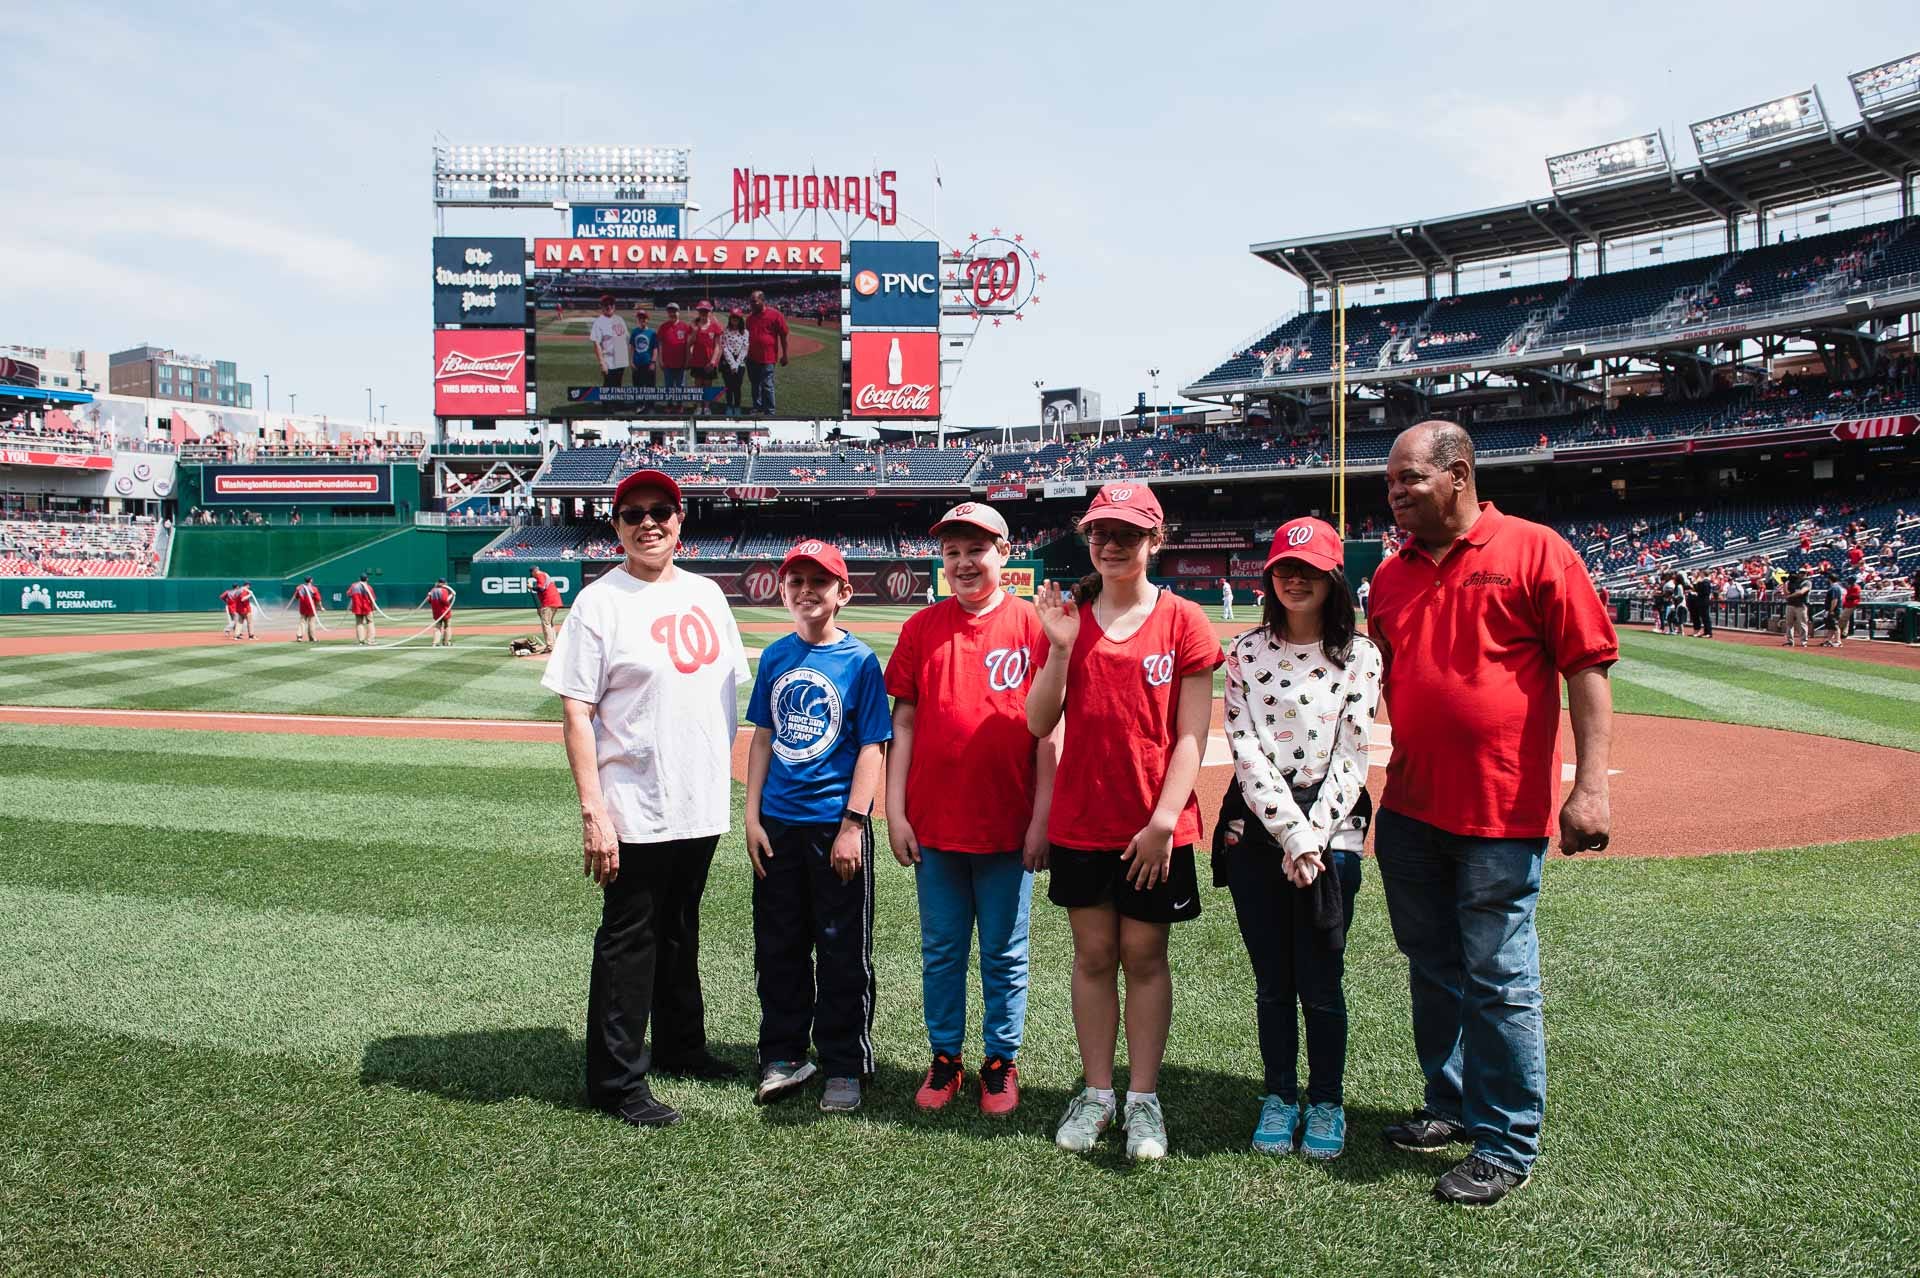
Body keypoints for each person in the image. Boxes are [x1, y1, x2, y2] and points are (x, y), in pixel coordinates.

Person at [1369, 422, 1616, 1206]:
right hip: (1409, 806)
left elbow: (1587, 667)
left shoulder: (1536, 549)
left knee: (1500, 976)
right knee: (1432, 967)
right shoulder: (1390, 576)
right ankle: (1450, 1105)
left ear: (1459, 475)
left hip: (1500, 810)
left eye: (1409, 478)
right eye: (1390, 483)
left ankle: (1508, 1139)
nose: (1396, 493)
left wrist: (1591, 787)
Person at [543, 469, 753, 1128]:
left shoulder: (708, 594)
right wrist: (593, 810)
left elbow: (723, 695)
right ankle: (616, 1081)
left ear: (680, 519)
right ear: (617, 527)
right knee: (630, 939)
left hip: (698, 798)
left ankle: (683, 1047)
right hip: (633, 802)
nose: (648, 523)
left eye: (660, 510)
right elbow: (577, 713)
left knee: (680, 930)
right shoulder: (599, 603)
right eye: (633, 514)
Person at [1027, 482, 1221, 1162]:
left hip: (1154, 827)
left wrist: (1165, 821)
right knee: (1092, 957)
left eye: (1127, 534)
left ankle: (1143, 1100)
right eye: (1100, 533)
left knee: (1144, 957)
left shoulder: (1184, 620)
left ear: (1154, 541)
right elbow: (1038, 721)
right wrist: (1057, 648)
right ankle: (1098, 1095)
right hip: (1084, 821)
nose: (1111, 544)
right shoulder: (1070, 616)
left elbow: (1192, 735)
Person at [885, 502, 1056, 1118]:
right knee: (942, 948)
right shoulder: (922, 628)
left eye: (976, 550)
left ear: (1004, 555)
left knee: (1006, 952)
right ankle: (946, 1057)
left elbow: (1049, 734)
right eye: (953, 551)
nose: (963, 562)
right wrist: (895, 810)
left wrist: (1042, 818)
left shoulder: (1034, 626)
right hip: (935, 822)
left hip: (1008, 824)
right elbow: (902, 721)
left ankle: (1000, 1061)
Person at [1220, 517, 1381, 1161]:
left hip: (1333, 823)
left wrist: (1313, 836)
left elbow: (1353, 754)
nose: (1294, 578)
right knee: (1271, 979)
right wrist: (1293, 834)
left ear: (1332, 579)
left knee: (1321, 976)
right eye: (1284, 567)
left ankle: (1327, 1101)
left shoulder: (1362, 655)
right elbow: (1246, 748)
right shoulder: (1245, 652)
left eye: (1309, 569)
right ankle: (1279, 1094)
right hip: (1260, 823)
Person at [743, 540, 891, 1114]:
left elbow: (873, 746)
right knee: (778, 946)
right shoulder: (777, 656)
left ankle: (844, 1061)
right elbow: (762, 737)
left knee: (840, 949)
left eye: (819, 582)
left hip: (834, 826)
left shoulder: (859, 662)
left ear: (842, 593)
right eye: (796, 581)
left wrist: (854, 824)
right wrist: (752, 816)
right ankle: (782, 1053)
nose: (807, 591)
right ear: (784, 591)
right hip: (777, 826)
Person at [745, 290, 790, 416]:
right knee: (755, 384)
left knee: (767, 385)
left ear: (762, 300)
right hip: (751, 357)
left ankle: (770, 411)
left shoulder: (775, 315)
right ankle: (757, 406)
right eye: (750, 302)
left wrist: (785, 355)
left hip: (768, 357)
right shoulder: (750, 318)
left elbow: (783, 335)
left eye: (754, 301)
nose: (751, 304)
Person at [589, 294, 629, 389]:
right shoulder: (599, 322)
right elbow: (596, 344)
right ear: (602, 307)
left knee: (618, 384)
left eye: (611, 304)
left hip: (621, 359)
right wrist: (602, 363)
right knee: (608, 385)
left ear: (614, 306)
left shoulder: (619, 319)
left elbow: (626, 338)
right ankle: (607, 404)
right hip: (609, 360)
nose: (609, 306)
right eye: (606, 304)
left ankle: (617, 403)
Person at [689, 301, 724, 411]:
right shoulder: (694, 325)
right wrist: (695, 331)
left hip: (709, 362)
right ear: (698, 312)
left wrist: (713, 361)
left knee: (708, 385)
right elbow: (690, 343)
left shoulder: (715, 326)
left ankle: (707, 406)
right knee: (698, 384)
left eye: (706, 311)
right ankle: (699, 406)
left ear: (710, 312)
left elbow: (718, 346)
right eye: (701, 311)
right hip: (697, 361)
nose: (703, 313)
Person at [719, 309, 750, 418]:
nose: (734, 320)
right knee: (728, 386)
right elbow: (724, 347)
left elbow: (745, 349)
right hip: (727, 362)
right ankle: (729, 406)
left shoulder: (745, 332)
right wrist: (732, 363)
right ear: (730, 318)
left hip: (740, 363)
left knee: (737, 387)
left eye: (737, 318)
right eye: (733, 317)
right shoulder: (725, 331)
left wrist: (737, 364)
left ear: (740, 319)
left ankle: (737, 407)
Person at [656, 302, 693, 390]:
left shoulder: (685, 326)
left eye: (674, 311)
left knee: (681, 386)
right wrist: (660, 360)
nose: (672, 314)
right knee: (668, 386)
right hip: (667, 364)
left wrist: (688, 360)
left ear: (678, 312)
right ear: (668, 313)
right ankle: (670, 403)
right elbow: (660, 344)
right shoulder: (663, 327)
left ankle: (679, 403)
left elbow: (689, 345)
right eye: (670, 312)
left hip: (681, 363)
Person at [530, 566, 564, 647]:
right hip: (553, 601)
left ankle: (550, 645)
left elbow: (541, 588)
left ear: (534, 572)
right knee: (549, 623)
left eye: (532, 574)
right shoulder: (544, 574)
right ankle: (553, 644)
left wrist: (531, 587)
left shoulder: (540, 575)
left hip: (549, 602)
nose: (533, 577)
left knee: (546, 623)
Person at [628, 308, 657, 389]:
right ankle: (639, 402)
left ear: (647, 319)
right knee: (637, 387)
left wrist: (653, 362)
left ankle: (649, 402)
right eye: (640, 318)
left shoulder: (652, 333)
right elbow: (632, 347)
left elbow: (655, 349)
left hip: (648, 364)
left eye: (644, 318)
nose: (642, 320)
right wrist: (631, 361)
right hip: (637, 364)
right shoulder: (634, 332)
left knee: (650, 387)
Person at [1783, 569, 1811, 647]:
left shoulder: (1807, 582)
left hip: (1801, 605)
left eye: (1803, 573)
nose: (1802, 574)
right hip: (1791, 604)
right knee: (1789, 624)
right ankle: (1790, 641)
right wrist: (1785, 583)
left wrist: (1789, 596)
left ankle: (1804, 642)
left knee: (1802, 624)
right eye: (1800, 573)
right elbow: (1786, 593)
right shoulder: (1793, 582)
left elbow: (1801, 592)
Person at [346, 573, 377, 646]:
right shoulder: (369, 587)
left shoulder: (354, 586)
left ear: (359, 578)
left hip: (357, 607)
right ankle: (370, 640)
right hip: (367, 607)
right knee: (370, 622)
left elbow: (348, 594)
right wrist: (373, 608)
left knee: (359, 623)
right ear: (367, 579)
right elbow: (373, 599)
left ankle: (361, 640)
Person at [424, 578, 456, 647]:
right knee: (447, 626)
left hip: (436, 612)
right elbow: (445, 601)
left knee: (437, 627)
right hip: (445, 612)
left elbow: (429, 601)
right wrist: (452, 595)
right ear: (444, 583)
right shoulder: (444, 590)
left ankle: (435, 643)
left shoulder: (433, 590)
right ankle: (447, 642)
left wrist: (429, 595)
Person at [292, 575, 323, 643]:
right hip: (311, 608)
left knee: (302, 622)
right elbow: (318, 599)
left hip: (303, 607)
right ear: (311, 580)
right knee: (311, 623)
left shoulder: (300, 588)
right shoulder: (314, 588)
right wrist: (321, 607)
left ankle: (299, 637)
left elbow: (296, 597)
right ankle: (312, 638)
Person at [1821, 574, 1844, 647]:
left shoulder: (1834, 588)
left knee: (1835, 625)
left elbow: (1835, 600)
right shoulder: (1834, 587)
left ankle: (1838, 641)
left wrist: (1831, 610)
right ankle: (1829, 640)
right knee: (1830, 625)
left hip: (1834, 610)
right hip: (1832, 609)